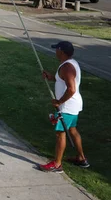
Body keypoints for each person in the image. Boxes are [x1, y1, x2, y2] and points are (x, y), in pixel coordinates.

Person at [39, 41, 89, 173]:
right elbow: (64, 80)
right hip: (73, 106)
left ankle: (57, 164)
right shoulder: (70, 64)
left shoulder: (67, 67)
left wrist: (59, 102)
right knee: (72, 130)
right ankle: (81, 158)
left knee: (60, 134)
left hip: (67, 106)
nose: (55, 51)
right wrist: (51, 77)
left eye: (56, 49)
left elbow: (71, 89)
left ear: (61, 51)